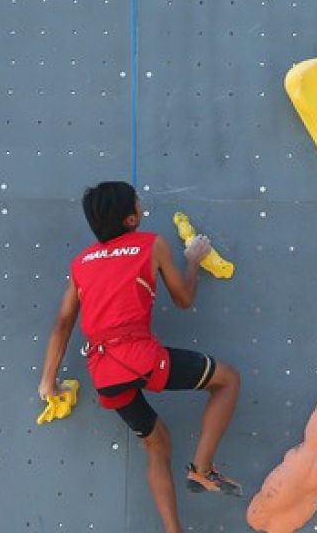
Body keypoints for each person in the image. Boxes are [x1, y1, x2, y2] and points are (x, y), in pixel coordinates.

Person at [38, 181, 242, 533]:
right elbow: (183, 299)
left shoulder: (81, 263)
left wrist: (48, 380)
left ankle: (173, 530)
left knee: (157, 444)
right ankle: (202, 469)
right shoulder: (152, 244)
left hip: (104, 373)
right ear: (131, 218)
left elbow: (62, 323)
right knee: (228, 380)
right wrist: (193, 260)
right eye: (138, 200)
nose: (142, 201)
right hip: (141, 358)